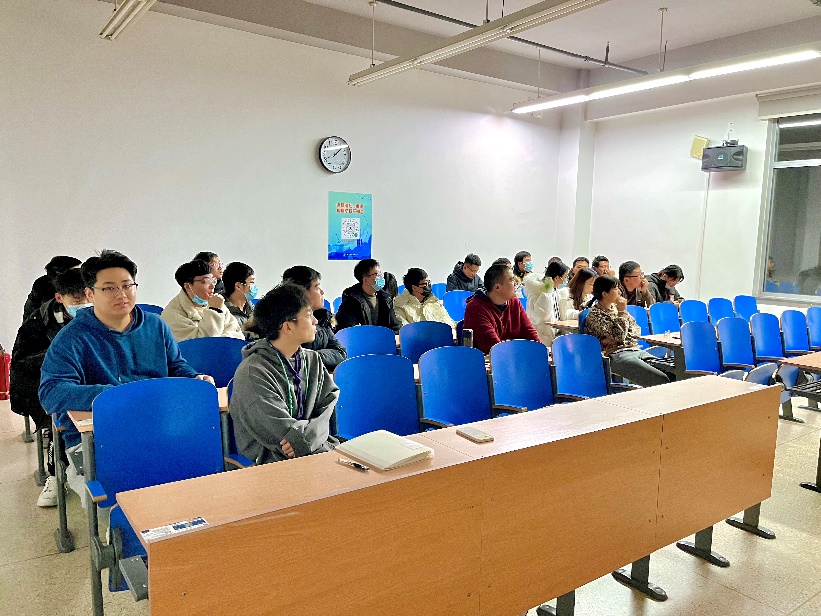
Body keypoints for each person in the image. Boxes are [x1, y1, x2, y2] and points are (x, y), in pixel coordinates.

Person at [39, 250, 214, 499]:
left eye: (127, 285)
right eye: (109, 288)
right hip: (100, 435)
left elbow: (176, 366)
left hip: (157, 423)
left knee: (199, 477)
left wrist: (194, 378)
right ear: (90, 294)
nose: (121, 294)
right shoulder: (72, 338)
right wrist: (114, 396)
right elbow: (51, 392)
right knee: (133, 493)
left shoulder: (155, 325)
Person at [230, 284, 339, 464]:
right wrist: (306, 438)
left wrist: (305, 439)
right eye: (308, 315)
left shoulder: (312, 359)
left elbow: (327, 406)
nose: (315, 321)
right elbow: (283, 435)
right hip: (272, 463)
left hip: (316, 451)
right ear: (287, 327)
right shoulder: (253, 371)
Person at [12, 268, 89, 507]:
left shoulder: (102, 318)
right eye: (76, 297)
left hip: (89, 386)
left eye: (87, 294)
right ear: (59, 297)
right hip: (46, 386)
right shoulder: (37, 324)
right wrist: (58, 356)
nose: (83, 302)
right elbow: (21, 366)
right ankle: (55, 474)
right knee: (58, 419)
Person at [583, 275, 670, 387]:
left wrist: (618, 338)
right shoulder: (595, 315)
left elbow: (636, 329)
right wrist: (622, 313)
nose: (619, 292)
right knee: (660, 379)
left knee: (671, 372)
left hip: (634, 349)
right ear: (605, 294)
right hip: (615, 355)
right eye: (615, 289)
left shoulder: (615, 308)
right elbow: (619, 335)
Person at [463, 263, 540, 354]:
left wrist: (541, 350)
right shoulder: (475, 308)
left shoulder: (514, 302)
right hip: (489, 360)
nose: (516, 283)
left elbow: (529, 331)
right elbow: (494, 348)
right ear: (497, 287)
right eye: (511, 280)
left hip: (512, 356)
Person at [281, 265, 347, 371]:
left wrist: (312, 357)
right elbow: (292, 359)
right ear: (302, 292)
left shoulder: (322, 318)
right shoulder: (286, 322)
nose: (322, 292)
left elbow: (340, 353)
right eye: (316, 287)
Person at [162, 259, 244, 341]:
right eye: (206, 281)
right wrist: (214, 311)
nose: (212, 286)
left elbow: (237, 334)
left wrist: (221, 339)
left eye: (213, 280)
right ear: (187, 286)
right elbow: (204, 343)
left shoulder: (216, 303)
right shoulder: (173, 315)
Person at [335, 258, 400, 333]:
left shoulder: (386, 299)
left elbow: (395, 327)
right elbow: (349, 331)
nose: (381, 277)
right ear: (366, 280)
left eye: (381, 273)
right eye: (377, 274)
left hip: (383, 339)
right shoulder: (351, 301)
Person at [523, 261, 569, 347]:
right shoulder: (538, 293)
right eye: (565, 276)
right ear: (557, 278)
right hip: (542, 335)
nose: (566, 279)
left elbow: (560, 312)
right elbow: (542, 316)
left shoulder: (556, 291)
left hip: (555, 332)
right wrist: (547, 292)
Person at [22, 256, 82, 321]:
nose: (81, 275)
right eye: (75, 272)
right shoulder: (41, 288)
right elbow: (29, 317)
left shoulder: (85, 286)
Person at [222, 262, 257, 329]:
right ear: (238, 286)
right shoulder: (223, 314)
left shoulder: (252, 310)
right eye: (251, 283)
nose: (255, 287)